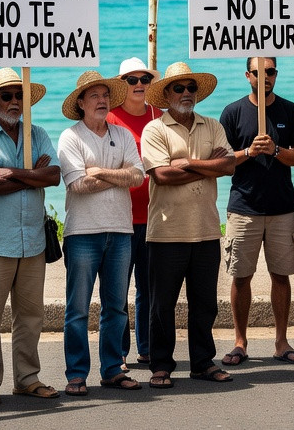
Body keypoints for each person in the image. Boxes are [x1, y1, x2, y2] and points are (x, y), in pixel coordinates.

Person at [0, 67, 62, 406]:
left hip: (32, 242)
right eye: (7, 96)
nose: (14, 101)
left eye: (19, 95)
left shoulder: (38, 133)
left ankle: (27, 378)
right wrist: (33, 175)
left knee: (31, 317)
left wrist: (16, 173)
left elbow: (53, 176)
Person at [142, 62, 235, 387]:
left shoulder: (212, 125)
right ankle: (161, 365)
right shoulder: (155, 129)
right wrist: (209, 166)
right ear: (166, 94)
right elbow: (162, 175)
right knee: (161, 305)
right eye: (179, 88)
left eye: (191, 88)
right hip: (166, 232)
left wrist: (190, 163)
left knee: (205, 304)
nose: (186, 93)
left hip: (206, 229)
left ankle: (202, 362)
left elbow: (229, 165)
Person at [219, 56, 294, 365]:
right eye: (258, 72)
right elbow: (223, 161)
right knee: (240, 277)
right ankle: (240, 342)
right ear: (248, 75)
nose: (264, 77)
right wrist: (249, 151)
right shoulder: (233, 112)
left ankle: (281, 341)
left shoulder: (290, 110)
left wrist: (276, 150)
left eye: (270, 71)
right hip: (244, 207)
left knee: (281, 276)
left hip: (281, 208)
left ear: (276, 74)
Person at [57, 71, 144, 395]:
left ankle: (112, 369)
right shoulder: (71, 137)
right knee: (78, 309)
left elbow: (138, 176)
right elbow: (78, 184)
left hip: (120, 231)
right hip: (82, 233)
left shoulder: (122, 135)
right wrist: (119, 174)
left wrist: (100, 171)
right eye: (94, 95)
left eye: (105, 95)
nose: (102, 100)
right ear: (81, 103)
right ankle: (77, 374)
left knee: (116, 308)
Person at [106, 57, 162, 368]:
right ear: (121, 85)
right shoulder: (110, 118)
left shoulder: (158, 116)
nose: (139, 84)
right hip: (120, 219)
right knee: (119, 290)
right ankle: (119, 352)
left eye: (144, 79)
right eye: (131, 80)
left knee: (149, 289)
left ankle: (148, 347)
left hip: (154, 217)